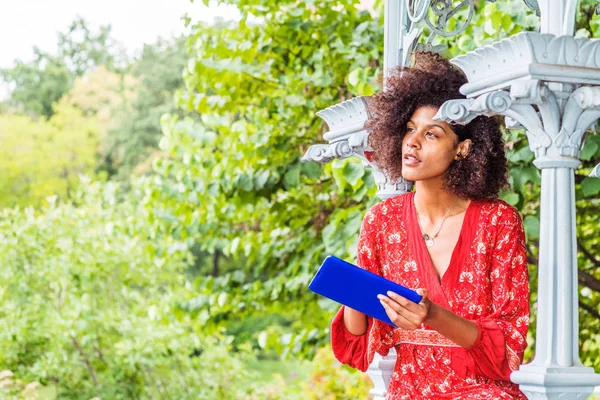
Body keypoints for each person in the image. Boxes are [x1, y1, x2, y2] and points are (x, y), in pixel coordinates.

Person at [330, 51, 530, 399]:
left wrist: (432, 315)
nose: (413, 141)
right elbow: (357, 341)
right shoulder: (381, 221)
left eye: (432, 134)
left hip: (482, 391)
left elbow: (507, 348)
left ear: (463, 149)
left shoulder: (498, 221)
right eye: (409, 129)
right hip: (409, 389)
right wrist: (353, 291)